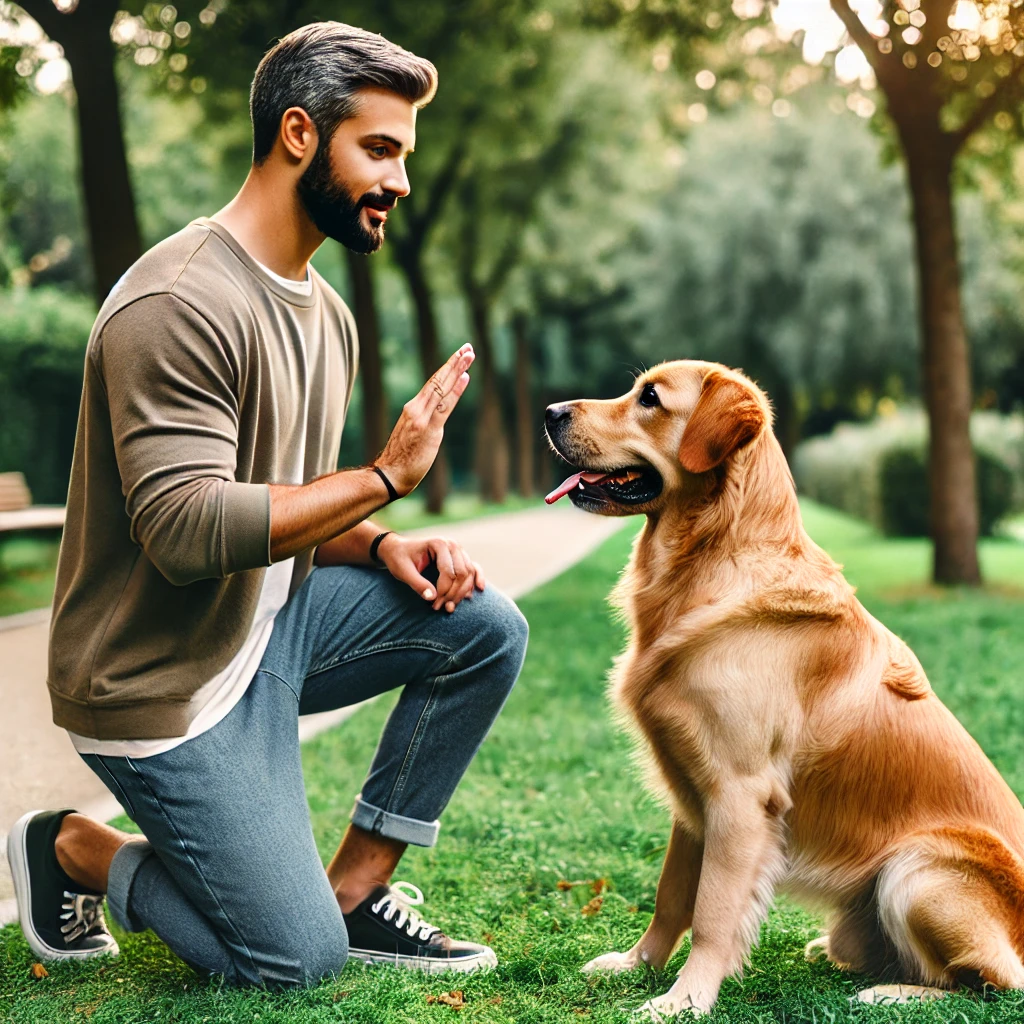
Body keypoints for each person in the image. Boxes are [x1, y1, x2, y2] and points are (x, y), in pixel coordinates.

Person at [5, 22, 528, 987]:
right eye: (380, 148)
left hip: (267, 629)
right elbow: (185, 532)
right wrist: (381, 478)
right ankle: (74, 848)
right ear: (299, 134)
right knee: (290, 960)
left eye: (404, 154)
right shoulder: (178, 302)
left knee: (484, 624)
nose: (400, 180)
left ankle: (357, 893)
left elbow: (279, 497)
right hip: (158, 681)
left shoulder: (323, 312)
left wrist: (377, 543)